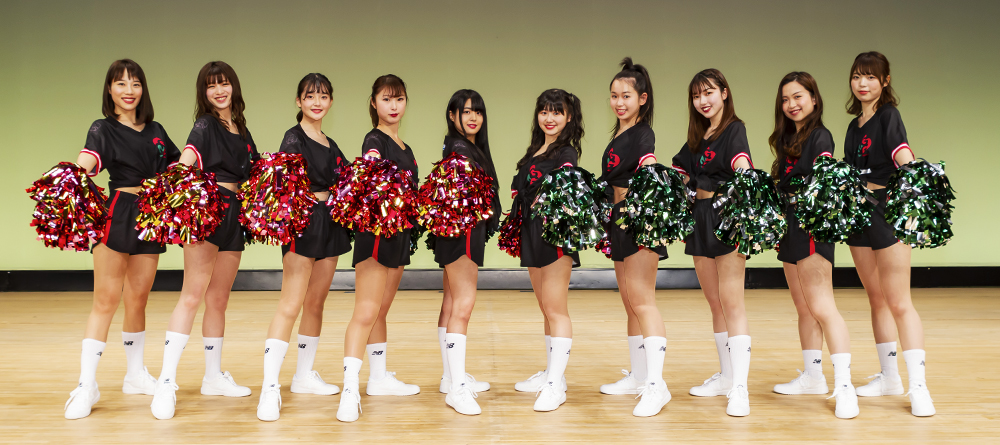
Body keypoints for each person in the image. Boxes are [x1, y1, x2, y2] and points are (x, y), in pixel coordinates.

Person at [64, 59, 180, 419]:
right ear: (110, 89)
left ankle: (135, 375)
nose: (129, 91)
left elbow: (176, 165)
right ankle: (86, 385)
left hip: (150, 215)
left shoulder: (156, 129)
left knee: (138, 298)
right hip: (118, 212)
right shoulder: (103, 127)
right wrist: (71, 174)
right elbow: (87, 159)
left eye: (135, 84)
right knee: (106, 299)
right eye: (121, 83)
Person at [151, 61, 259, 420]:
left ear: (234, 87)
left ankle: (213, 377)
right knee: (192, 295)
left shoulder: (241, 128)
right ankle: (166, 382)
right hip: (209, 210)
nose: (219, 90)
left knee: (218, 299)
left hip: (234, 215)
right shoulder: (205, 125)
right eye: (211, 85)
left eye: (224, 83)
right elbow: (188, 158)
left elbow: (255, 171)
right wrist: (179, 184)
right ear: (204, 92)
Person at [842, 51, 934, 417]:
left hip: (885, 210)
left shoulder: (888, 116)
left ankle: (919, 387)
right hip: (858, 214)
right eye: (857, 76)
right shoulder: (853, 127)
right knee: (876, 298)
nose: (862, 83)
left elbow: (902, 153)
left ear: (885, 81)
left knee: (899, 301)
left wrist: (913, 181)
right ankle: (890, 377)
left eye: (870, 76)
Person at [257, 73, 352, 421]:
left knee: (315, 302)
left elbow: (349, 178)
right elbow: (285, 181)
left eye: (323, 96)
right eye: (310, 95)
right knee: (291, 303)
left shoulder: (330, 142)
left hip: (330, 222)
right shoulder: (293, 138)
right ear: (299, 101)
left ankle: (303, 375)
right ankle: (269, 388)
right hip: (304, 220)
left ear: (331, 102)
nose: (317, 102)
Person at [769, 71, 858, 419]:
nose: (791, 104)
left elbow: (822, 176)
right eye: (785, 99)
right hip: (790, 222)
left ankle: (845, 386)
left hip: (810, 222)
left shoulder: (820, 135)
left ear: (814, 99)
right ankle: (813, 376)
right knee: (804, 306)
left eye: (798, 97)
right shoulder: (786, 138)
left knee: (822, 305)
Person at [337, 74, 420, 422]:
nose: (393, 106)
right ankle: (349, 390)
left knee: (381, 310)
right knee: (366, 311)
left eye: (399, 99)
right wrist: (371, 162)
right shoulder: (375, 139)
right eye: (386, 99)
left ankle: (379, 378)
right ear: (374, 103)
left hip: (399, 234)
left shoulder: (405, 148)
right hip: (375, 233)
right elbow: (370, 163)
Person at [671, 69, 754, 417]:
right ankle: (726, 376)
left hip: (725, 214)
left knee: (732, 303)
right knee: (715, 302)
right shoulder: (699, 136)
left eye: (708, 93)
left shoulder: (734, 129)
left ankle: (740, 388)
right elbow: (679, 169)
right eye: (696, 96)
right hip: (700, 217)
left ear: (724, 92)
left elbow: (740, 161)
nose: (703, 101)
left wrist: (747, 176)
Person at [597, 58, 671, 417]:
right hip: (618, 222)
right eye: (614, 95)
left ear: (642, 98)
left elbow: (647, 158)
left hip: (639, 220)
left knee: (643, 301)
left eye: (626, 95)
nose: (619, 102)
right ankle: (640, 376)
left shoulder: (642, 133)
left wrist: (649, 167)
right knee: (630, 302)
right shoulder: (618, 134)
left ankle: (657, 385)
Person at [509, 89, 583, 412]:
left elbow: (566, 179)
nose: (549, 118)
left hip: (554, 233)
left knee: (556, 308)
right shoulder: (536, 149)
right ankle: (553, 374)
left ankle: (555, 385)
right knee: (545, 307)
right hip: (531, 232)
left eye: (556, 112)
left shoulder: (565, 151)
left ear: (568, 117)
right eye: (544, 111)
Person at [433, 89, 499, 415]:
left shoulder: (465, 146)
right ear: (452, 115)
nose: (473, 117)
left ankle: (451, 378)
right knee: (463, 304)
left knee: (451, 302)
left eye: (478, 111)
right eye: (466, 111)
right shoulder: (460, 149)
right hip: (463, 232)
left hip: (460, 232)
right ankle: (457, 389)